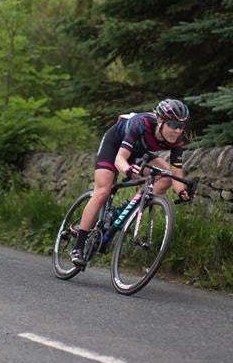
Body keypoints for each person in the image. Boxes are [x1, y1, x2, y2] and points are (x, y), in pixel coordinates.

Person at [69, 98, 192, 268]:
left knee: (166, 176)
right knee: (103, 190)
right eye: (173, 125)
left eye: (181, 126)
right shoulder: (141, 124)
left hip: (139, 152)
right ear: (160, 121)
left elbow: (177, 172)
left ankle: (129, 207)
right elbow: (120, 159)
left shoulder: (178, 139)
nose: (177, 130)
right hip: (115, 146)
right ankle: (78, 247)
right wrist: (126, 169)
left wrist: (182, 191)